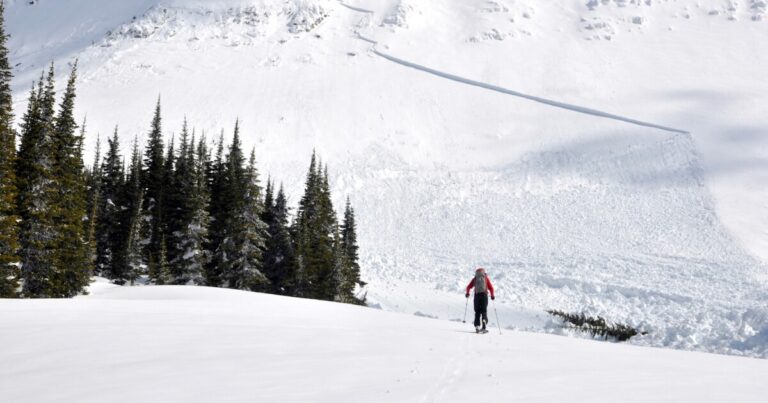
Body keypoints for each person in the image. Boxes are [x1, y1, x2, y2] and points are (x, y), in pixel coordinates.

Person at [465, 267, 495, 333]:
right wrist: (492, 295)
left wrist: (467, 293)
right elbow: (491, 288)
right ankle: (484, 324)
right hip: (484, 296)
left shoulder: (475, 279)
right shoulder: (486, 278)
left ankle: (477, 326)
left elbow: (468, 287)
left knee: (477, 312)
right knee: (484, 311)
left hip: (477, 297)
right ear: (484, 273)